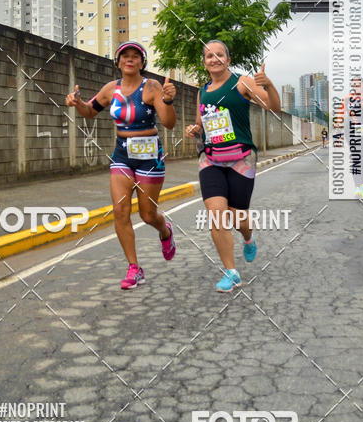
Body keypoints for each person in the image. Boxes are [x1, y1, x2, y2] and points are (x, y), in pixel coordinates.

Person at [65, 41, 177, 289]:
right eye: (125, 56)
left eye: (135, 56)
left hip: (150, 158)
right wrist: (78, 102)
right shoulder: (110, 89)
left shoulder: (151, 87)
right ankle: (134, 268)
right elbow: (90, 111)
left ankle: (165, 231)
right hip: (122, 156)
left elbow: (169, 123)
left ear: (142, 62)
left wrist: (167, 102)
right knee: (120, 210)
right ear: (117, 62)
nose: (129, 60)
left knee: (147, 215)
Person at [185, 41, 279, 292]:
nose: (214, 59)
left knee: (238, 217)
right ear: (204, 62)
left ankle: (248, 238)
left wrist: (268, 84)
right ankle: (231, 272)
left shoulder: (242, 82)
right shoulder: (202, 91)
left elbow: (272, 107)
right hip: (211, 159)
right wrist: (194, 130)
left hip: (241, 159)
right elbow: (200, 124)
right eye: (208, 56)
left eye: (219, 54)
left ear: (228, 58)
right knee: (216, 213)